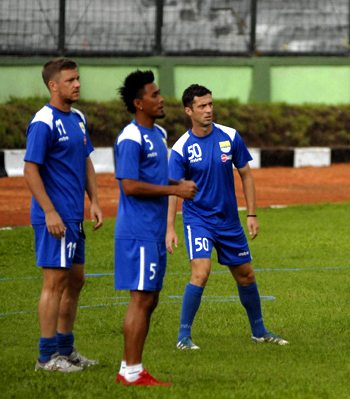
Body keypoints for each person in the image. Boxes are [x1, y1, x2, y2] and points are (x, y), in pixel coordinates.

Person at [166, 84, 288, 350]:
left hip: (230, 221)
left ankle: (259, 332)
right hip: (198, 220)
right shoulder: (181, 148)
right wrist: (170, 229)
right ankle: (183, 337)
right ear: (189, 111)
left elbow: (245, 174)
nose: (208, 110)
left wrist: (252, 213)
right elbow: (173, 190)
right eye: (202, 106)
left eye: (210, 104)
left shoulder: (230, 136)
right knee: (201, 272)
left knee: (246, 276)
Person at [113, 70, 197, 386]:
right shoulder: (131, 137)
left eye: (159, 93)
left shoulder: (158, 135)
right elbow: (131, 186)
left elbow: (156, 179)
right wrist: (175, 191)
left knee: (151, 299)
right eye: (154, 95)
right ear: (139, 103)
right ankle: (133, 371)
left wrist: (178, 183)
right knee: (140, 299)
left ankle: (129, 368)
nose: (161, 99)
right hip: (138, 231)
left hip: (153, 231)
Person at [24, 58, 104, 372]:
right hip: (55, 218)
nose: (78, 84)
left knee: (75, 282)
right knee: (54, 284)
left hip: (74, 217)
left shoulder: (78, 118)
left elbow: (86, 162)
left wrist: (94, 201)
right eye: (71, 80)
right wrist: (49, 212)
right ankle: (46, 358)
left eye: (78, 79)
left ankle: (66, 350)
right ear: (53, 85)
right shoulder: (43, 121)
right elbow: (30, 170)